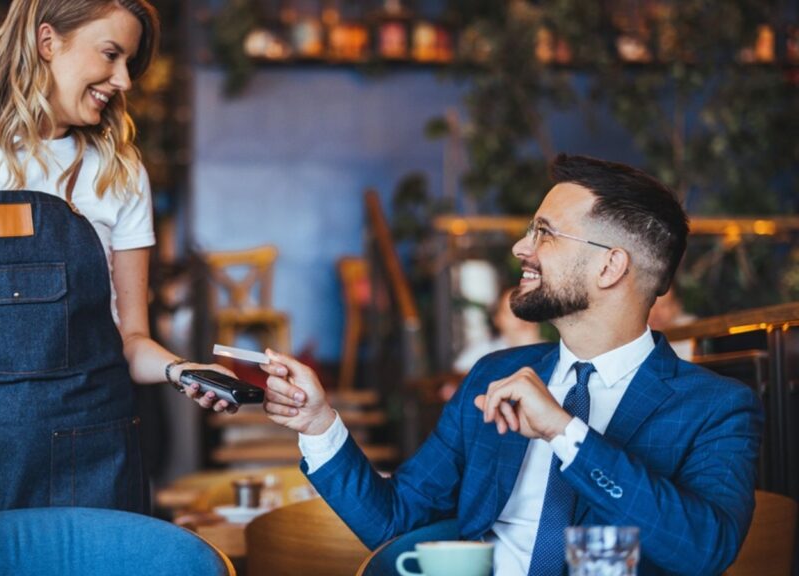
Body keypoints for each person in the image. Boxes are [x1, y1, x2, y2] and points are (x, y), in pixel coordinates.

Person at [260, 154, 763, 575]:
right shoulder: (492, 375)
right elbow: (395, 521)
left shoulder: (715, 406)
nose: (522, 248)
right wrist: (318, 423)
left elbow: (705, 550)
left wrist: (565, 432)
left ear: (610, 266)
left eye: (545, 233)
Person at [0, 0, 235, 532]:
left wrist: (181, 370)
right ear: (48, 42)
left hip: (96, 452)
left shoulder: (119, 173)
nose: (123, 79)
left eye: (129, 63)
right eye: (111, 55)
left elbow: (131, 339)